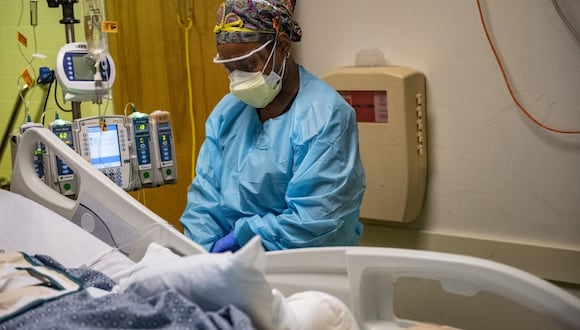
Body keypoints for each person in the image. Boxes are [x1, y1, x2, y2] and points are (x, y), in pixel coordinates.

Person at [180, 0, 365, 252]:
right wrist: (203, 250)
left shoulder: (326, 116)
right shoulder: (227, 113)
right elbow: (204, 198)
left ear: (283, 46)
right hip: (233, 270)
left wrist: (241, 237)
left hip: (309, 269)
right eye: (229, 69)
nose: (238, 79)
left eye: (247, 66)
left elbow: (316, 221)